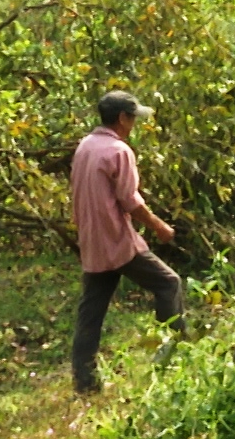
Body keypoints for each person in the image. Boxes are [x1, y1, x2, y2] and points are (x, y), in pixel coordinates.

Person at [69, 90, 183, 394]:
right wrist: (160, 227)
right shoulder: (119, 151)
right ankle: (173, 361)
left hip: (92, 241)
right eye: (132, 118)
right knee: (168, 283)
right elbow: (130, 201)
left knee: (91, 313)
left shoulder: (85, 146)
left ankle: (85, 383)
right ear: (122, 118)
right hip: (117, 241)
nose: (133, 124)